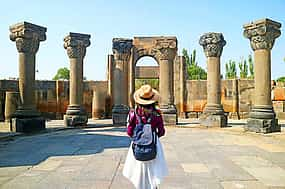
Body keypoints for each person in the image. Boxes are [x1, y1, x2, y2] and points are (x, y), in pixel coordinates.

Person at [123, 84, 168, 189]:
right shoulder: (157, 114)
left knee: (138, 171)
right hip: (153, 144)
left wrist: (139, 136)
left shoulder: (133, 114)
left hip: (138, 145)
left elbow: (129, 132)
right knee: (153, 171)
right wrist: (152, 135)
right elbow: (161, 132)